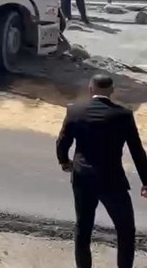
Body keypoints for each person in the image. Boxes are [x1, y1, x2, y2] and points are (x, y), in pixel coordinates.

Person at [56, 74, 147, 268]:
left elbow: (62, 142)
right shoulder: (123, 115)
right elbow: (137, 151)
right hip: (112, 180)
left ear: (91, 89)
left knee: (83, 228)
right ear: (111, 91)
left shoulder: (75, 111)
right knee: (125, 230)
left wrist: (64, 161)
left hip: (82, 178)